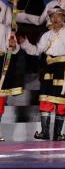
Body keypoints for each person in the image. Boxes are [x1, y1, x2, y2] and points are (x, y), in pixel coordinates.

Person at [18, 6, 65, 141]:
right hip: (49, 68)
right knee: (46, 100)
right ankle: (44, 132)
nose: (55, 19)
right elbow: (36, 51)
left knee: (61, 102)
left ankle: (58, 133)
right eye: (52, 16)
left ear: (63, 18)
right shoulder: (46, 35)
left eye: (58, 16)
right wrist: (25, 44)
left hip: (64, 69)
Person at [0, 8, 23, 143]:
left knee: (0, 98)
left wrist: (13, 46)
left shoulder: (6, 28)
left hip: (1, 62)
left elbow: (15, 49)